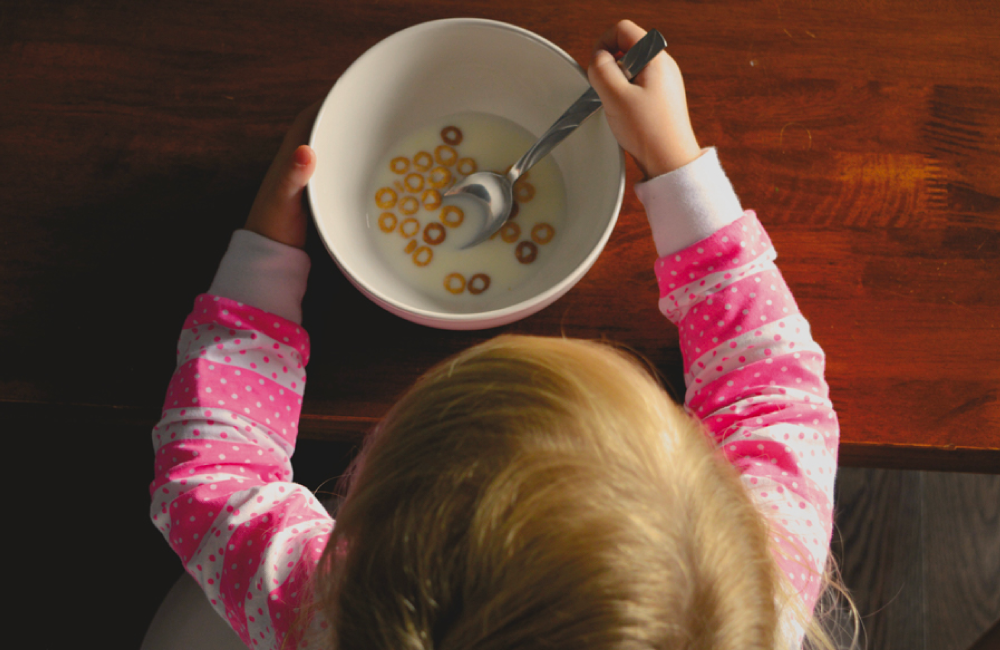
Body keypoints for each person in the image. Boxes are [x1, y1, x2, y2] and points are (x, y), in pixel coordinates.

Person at [150, 19, 853, 650]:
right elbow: (774, 394)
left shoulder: (325, 609)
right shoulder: (751, 596)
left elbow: (212, 479)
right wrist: (674, 161)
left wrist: (266, 254)